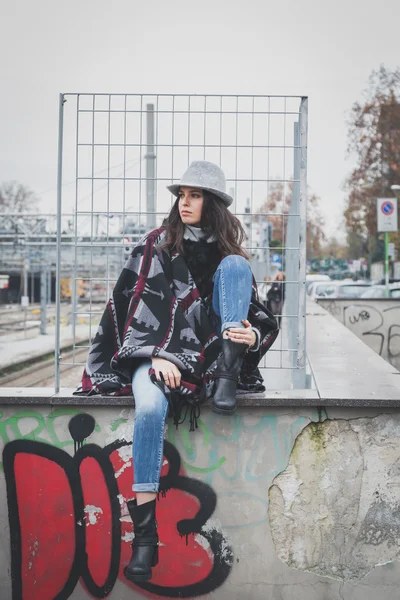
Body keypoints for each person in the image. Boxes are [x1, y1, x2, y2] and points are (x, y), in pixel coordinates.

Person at [75, 160, 278, 582]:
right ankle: (145, 538)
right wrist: (156, 355)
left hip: (211, 359)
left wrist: (250, 338)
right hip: (157, 358)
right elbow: (134, 312)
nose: (184, 203)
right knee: (149, 409)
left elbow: (258, 317)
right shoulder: (154, 247)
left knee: (239, 268)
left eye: (195, 195)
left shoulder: (230, 260)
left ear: (214, 204)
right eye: (181, 195)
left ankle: (227, 372)